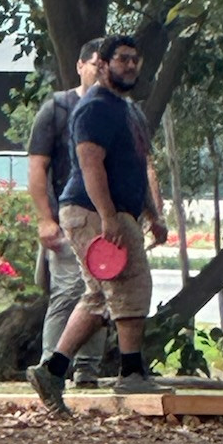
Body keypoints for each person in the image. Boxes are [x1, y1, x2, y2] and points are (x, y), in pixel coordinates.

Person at [26, 35, 168, 412]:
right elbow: (90, 164)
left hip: (112, 211)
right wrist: (107, 216)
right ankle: (131, 372)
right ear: (102, 64)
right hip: (93, 211)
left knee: (99, 295)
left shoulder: (127, 110)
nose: (130, 65)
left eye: (135, 59)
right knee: (132, 284)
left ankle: (52, 370)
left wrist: (153, 214)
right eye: (122, 59)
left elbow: (137, 166)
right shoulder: (95, 108)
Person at [26, 41, 111, 385]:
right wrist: (45, 219)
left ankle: (87, 369)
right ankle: (50, 368)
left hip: (107, 220)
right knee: (67, 292)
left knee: (102, 292)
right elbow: (37, 167)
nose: (101, 72)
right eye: (96, 64)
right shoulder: (57, 109)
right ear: (80, 66)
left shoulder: (119, 110)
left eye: (107, 66)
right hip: (66, 218)